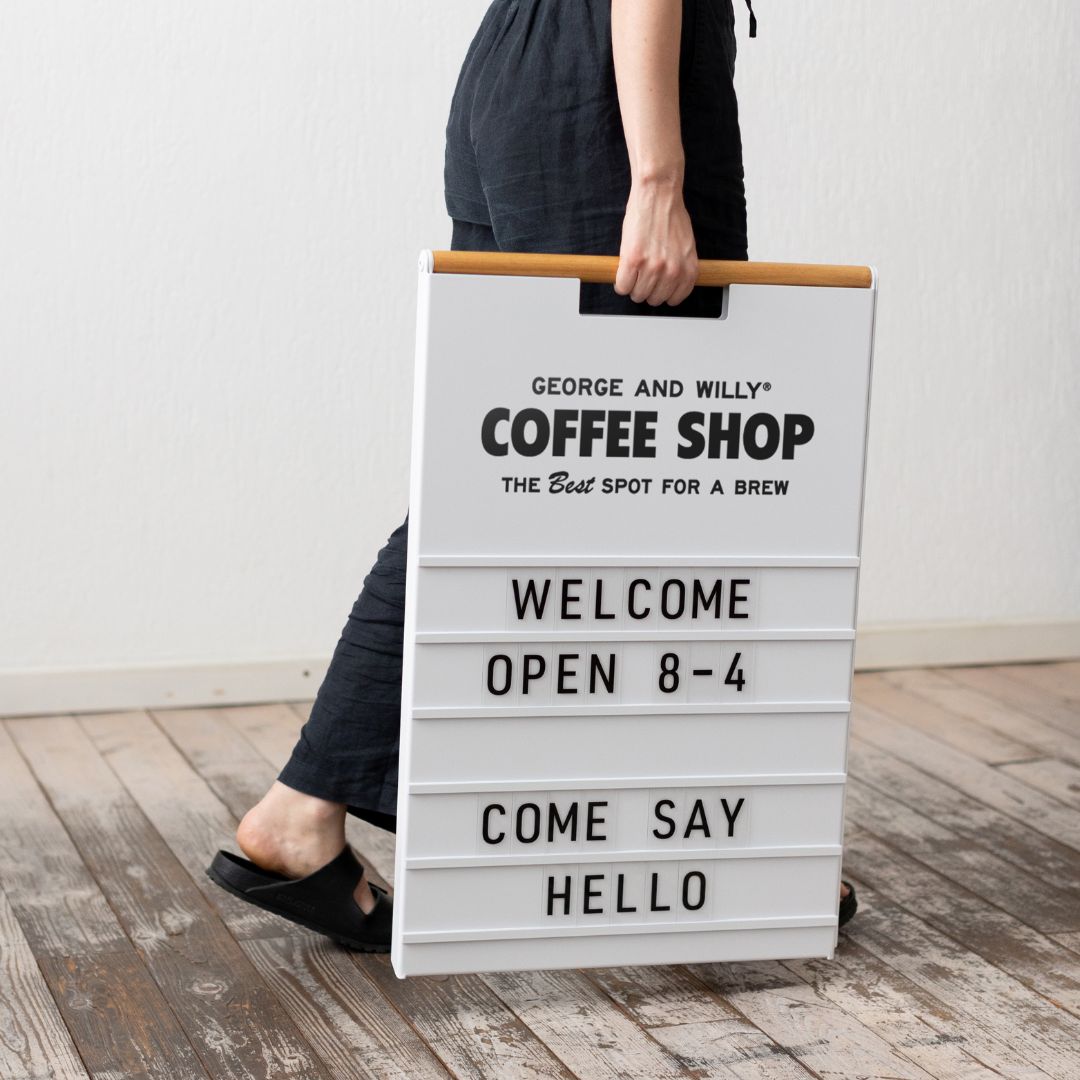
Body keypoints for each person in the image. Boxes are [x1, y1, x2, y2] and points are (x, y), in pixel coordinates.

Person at [207, 0, 856, 950]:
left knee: (529, 490)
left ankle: (309, 811)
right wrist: (658, 177)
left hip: (532, 73)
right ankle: (718, 850)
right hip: (609, 97)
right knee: (662, 480)